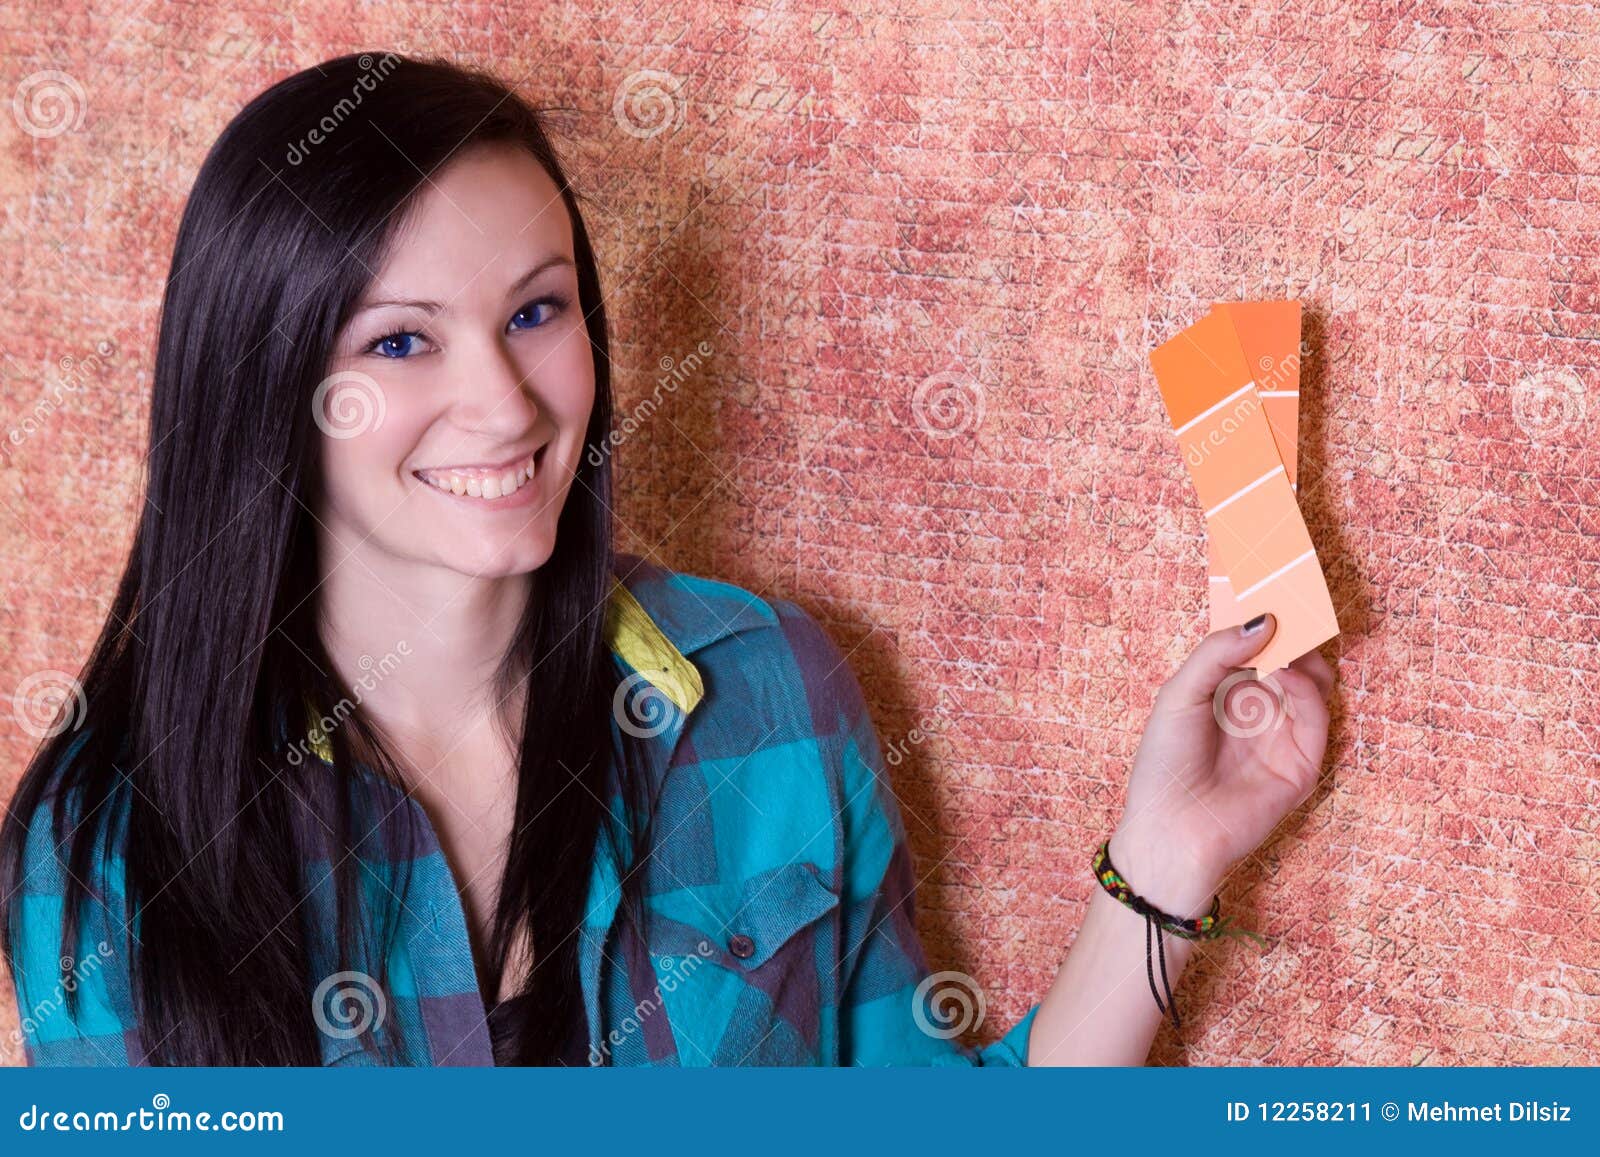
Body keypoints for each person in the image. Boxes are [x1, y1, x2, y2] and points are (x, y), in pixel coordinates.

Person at [0, 53, 1333, 1067]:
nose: (508, 405)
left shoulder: (766, 690)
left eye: (536, 311)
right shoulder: (118, 838)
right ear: (268, 383)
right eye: (401, 341)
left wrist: (1165, 863)